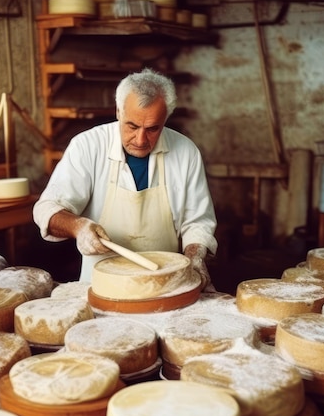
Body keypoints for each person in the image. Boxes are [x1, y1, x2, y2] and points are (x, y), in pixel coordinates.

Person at [33, 68, 218, 288]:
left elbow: (197, 221)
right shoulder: (87, 146)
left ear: (166, 118)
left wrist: (195, 256)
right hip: (102, 285)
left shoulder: (186, 152)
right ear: (119, 112)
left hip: (164, 284)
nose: (140, 139)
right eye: (132, 126)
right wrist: (78, 227)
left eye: (152, 129)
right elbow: (46, 209)